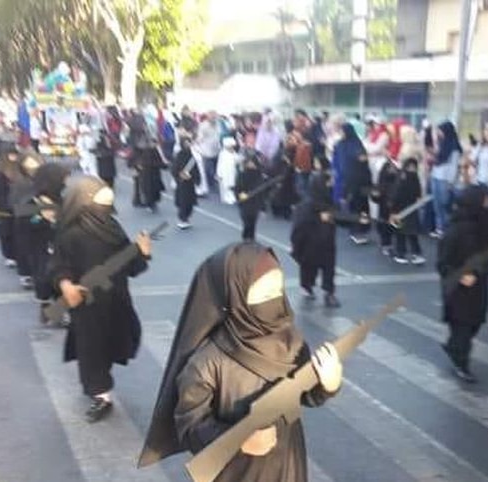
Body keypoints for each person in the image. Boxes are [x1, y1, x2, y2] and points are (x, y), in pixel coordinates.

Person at [137, 242, 343, 481]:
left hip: (288, 466)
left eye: (277, 291)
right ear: (236, 297)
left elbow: (304, 395)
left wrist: (327, 386)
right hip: (236, 473)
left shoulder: (290, 341)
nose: (274, 302)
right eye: (264, 294)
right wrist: (237, 440)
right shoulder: (207, 362)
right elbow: (189, 427)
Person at [49, 176, 152, 422]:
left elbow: (131, 266)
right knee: (91, 348)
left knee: (111, 343)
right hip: (87, 305)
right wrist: (65, 285)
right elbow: (58, 266)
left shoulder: (112, 228)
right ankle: (101, 394)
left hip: (116, 299)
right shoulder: (69, 235)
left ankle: (100, 383)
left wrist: (142, 253)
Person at [438, 185, 488, 383]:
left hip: (479, 281)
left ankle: (453, 346)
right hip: (458, 287)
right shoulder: (455, 229)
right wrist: (460, 275)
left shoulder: (484, 223)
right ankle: (461, 362)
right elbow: (443, 261)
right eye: (484, 200)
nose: (487, 204)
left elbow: (487, 249)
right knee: (462, 325)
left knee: (475, 322)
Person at [291, 172, 348, 308]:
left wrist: (357, 220)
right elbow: (300, 224)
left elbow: (338, 217)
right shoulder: (307, 204)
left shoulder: (329, 202)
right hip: (311, 243)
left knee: (329, 267)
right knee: (309, 266)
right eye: (328, 182)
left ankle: (329, 293)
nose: (331, 185)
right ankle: (307, 286)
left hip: (327, 241)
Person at [28, 163, 69, 324]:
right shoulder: (33, 201)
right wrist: (41, 218)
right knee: (45, 278)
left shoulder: (62, 199)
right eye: (63, 179)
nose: (66, 182)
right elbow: (27, 222)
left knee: (63, 275)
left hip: (61, 244)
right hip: (41, 246)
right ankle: (46, 309)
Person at [10, 152, 44, 289]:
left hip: (40, 219)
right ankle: (25, 274)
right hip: (25, 220)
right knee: (25, 247)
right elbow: (14, 205)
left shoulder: (41, 181)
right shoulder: (19, 183)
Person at [336, 124, 372, 246]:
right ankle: (356, 231)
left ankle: (359, 230)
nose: (340, 133)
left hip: (356, 179)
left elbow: (362, 158)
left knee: (360, 204)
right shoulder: (346, 143)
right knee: (355, 204)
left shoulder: (350, 143)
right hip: (352, 179)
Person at [430, 121, 463, 238]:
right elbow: (437, 159)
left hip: (445, 179)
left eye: (440, 130)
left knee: (445, 205)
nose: (439, 133)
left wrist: (451, 182)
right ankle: (439, 228)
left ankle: (448, 230)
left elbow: (455, 166)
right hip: (436, 176)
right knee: (437, 204)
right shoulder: (441, 143)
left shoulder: (454, 147)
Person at [390, 158, 425, 265]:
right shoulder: (415, 177)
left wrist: (392, 209)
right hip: (412, 209)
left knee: (400, 233)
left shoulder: (401, 177)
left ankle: (401, 254)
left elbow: (396, 194)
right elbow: (419, 193)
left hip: (400, 209)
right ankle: (417, 254)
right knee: (412, 233)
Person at [172, 132, 201, 230]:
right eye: (186, 143)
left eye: (189, 142)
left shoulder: (191, 156)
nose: (188, 144)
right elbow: (174, 169)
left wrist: (195, 178)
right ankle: (182, 219)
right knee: (183, 202)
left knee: (190, 202)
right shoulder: (179, 155)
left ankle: (187, 218)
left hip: (190, 183)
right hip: (182, 184)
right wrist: (181, 175)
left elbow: (195, 169)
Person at [374, 152, 400, 255]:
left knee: (392, 226)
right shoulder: (384, 182)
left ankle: (389, 244)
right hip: (386, 207)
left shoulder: (395, 181)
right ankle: (386, 244)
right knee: (386, 225)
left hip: (392, 206)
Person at [236, 154, 265, 241]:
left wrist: (263, 207)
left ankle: (251, 238)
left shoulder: (259, 175)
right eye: (249, 163)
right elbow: (238, 188)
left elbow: (262, 192)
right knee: (246, 222)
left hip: (255, 203)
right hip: (245, 202)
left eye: (252, 163)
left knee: (253, 222)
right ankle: (245, 237)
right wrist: (240, 196)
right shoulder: (242, 175)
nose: (250, 164)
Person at [197, 112, 222, 191]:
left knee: (215, 169)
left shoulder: (218, 124)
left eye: (215, 117)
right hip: (206, 151)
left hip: (216, 150)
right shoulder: (203, 125)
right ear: (208, 117)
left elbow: (219, 135)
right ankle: (210, 183)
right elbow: (200, 136)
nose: (214, 118)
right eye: (212, 117)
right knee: (208, 169)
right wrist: (198, 142)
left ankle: (212, 182)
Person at [216, 137, 240, 205]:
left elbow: (237, 160)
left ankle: (231, 196)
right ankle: (225, 197)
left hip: (232, 172)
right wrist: (218, 173)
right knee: (224, 185)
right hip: (224, 173)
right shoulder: (222, 153)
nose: (232, 148)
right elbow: (219, 164)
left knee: (232, 184)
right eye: (231, 147)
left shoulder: (234, 154)